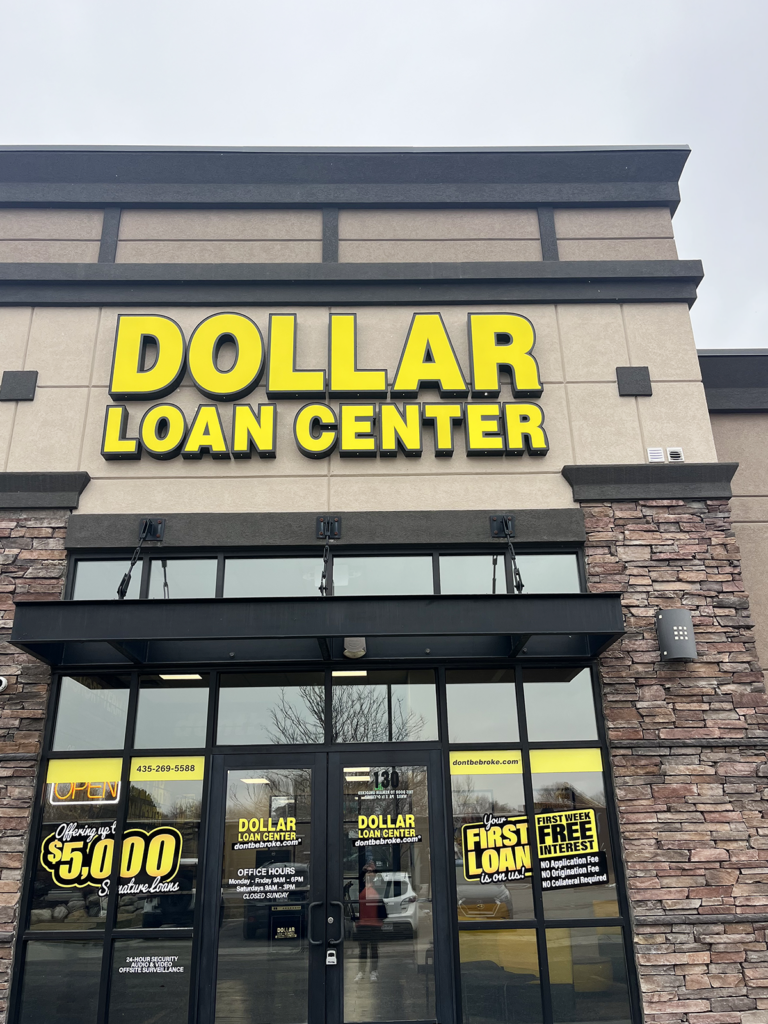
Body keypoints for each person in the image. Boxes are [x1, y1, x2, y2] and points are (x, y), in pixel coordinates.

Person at [355, 861, 386, 981]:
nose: (370, 874)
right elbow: (360, 877)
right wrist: (364, 869)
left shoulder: (377, 887)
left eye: (372, 872)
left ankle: (373, 971)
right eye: (368, 872)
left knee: (374, 949)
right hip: (364, 923)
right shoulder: (363, 887)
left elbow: (382, 880)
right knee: (363, 950)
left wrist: (374, 870)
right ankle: (361, 972)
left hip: (374, 923)